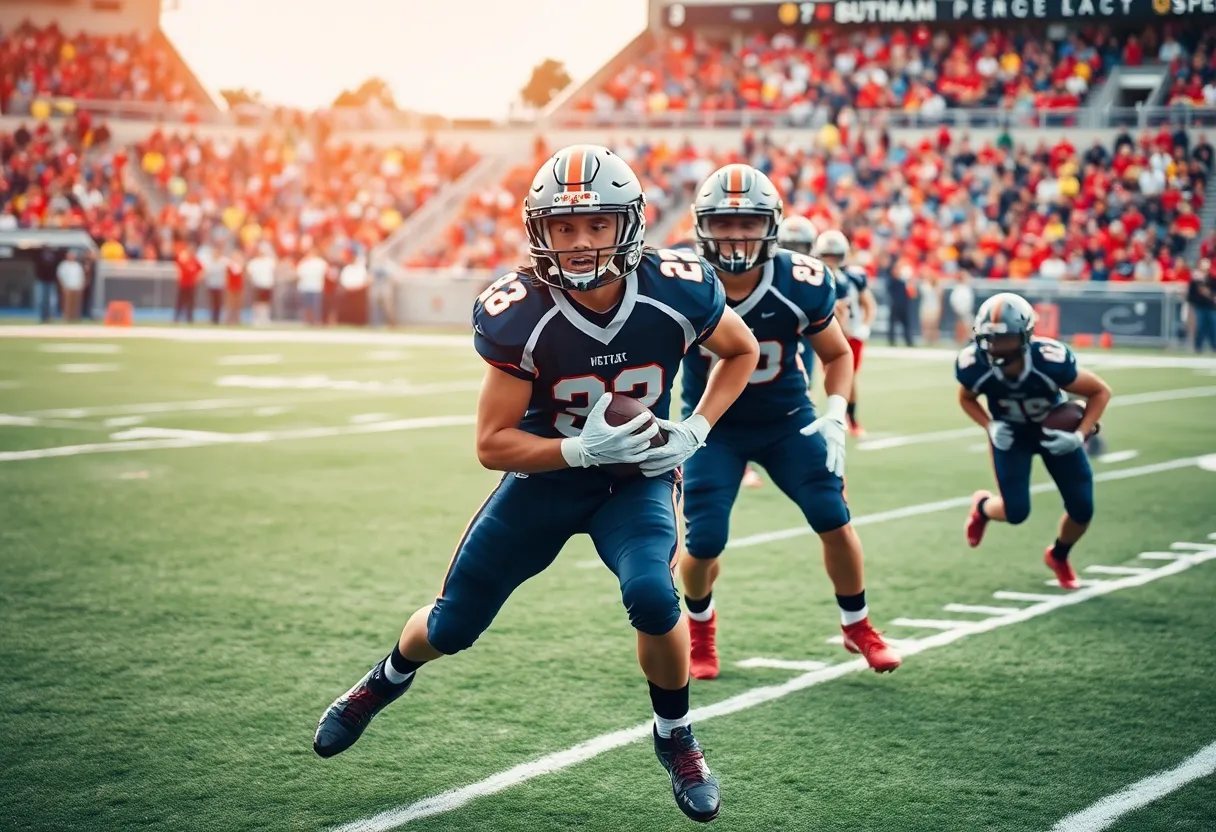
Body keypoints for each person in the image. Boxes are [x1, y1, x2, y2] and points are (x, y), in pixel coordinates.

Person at [313, 145, 760, 824]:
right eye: (564, 228)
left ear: (628, 225)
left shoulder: (675, 288)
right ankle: (383, 681)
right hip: (545, 477)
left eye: (597, 226)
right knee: (453, 624)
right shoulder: (523, 309)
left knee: (651, 592)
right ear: (540, 232)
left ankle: (677, 737)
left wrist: (696, 429)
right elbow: (492, 443)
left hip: (636, 480)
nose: (580, 243)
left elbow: (741, 349)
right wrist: (578, 448)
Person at [677, 163, 902, 683]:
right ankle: (701, 631)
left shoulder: (801, 281)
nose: (735, 236)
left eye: (748, 223)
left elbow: (838, 354)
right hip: (712, 427)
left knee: (833, 516)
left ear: (771, 225)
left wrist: (837, 413)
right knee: (703, 541)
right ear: (701, 226)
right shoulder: (683, 283)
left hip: (786, 419)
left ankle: (857, 624)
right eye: (724, 223)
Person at [957, 293, 1112, 589]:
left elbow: (1100, 391)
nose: (996, 346)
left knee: (1082, 507)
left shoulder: (1048, 361)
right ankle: (982, 507)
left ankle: (1059, 554)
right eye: (990, 337)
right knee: (1016, 513)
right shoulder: (974, 363)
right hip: (1011, 437)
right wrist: (989, 426)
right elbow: (966, 398)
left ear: (1026, 335)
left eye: (1005, 338)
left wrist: (1079, 435)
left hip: (1053, 433)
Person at [814, 230, 876, 438]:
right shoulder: (816, 275)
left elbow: (868, 304)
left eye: (834, 256)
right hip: (826, 333)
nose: (830, 261)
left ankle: (849, 419)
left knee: (848, 378)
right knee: (831, 376)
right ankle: (838, 417)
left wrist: (864, 327)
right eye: (826, 256)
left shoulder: (851, 277)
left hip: (852, 334)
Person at [56, 250, 86, 322]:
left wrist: (81, 285)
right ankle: (66, 317)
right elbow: (60, 276)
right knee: (67, 303)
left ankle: (75, 317)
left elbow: (81, 276)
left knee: (76, 303)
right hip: (68, 286)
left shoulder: (77, 265)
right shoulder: (63, 265)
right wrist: (62, 286)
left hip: (77, 287)